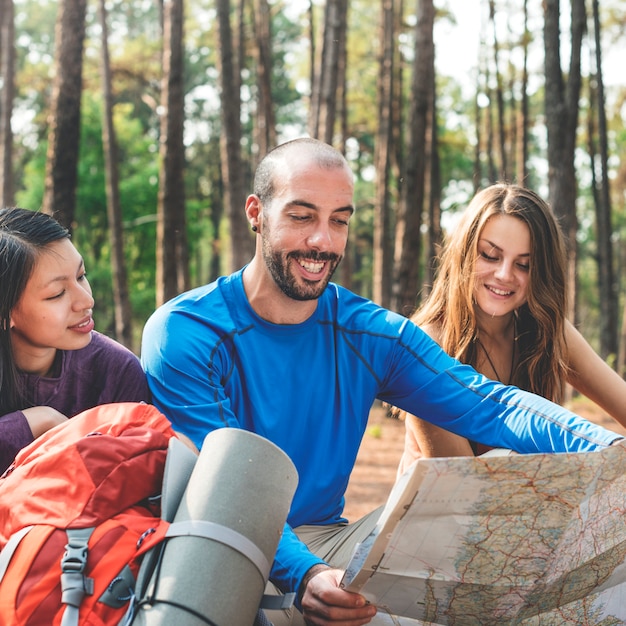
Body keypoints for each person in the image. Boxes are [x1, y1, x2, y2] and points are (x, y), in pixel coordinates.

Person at [141, 139, 622, 626]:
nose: (322, 241)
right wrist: (306, 575)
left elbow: (491, 406)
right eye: (302, 216)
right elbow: (230, 490)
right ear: (257, 213)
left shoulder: (372, 333)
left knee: (508, 548)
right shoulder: (186, 331)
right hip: (223, 545)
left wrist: (611, 452)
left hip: (330, 543)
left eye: (340, 220)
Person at [395, 183, 626, 474]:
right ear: (464, 253)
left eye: (524, 265)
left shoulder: (550, 333)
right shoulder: (427, 346)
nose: (504, 275)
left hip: (521, 512)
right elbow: (464, 488)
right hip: (443, 514)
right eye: (490, 256)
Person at [0, 207, 150, 474]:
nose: (87, 301)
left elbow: (139, 475)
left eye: (81, 276)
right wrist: (34, 422)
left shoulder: (116, 371)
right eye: (57, 294)